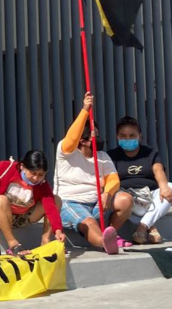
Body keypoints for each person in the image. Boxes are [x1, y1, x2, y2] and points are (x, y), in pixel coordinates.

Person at [54, 93, 127, 253]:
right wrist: (85, 110)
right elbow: (71, 138)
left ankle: (111, 233)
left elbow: (113, 179)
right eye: (94, 135)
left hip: (97, 203)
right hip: (70, 202)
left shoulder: (102, 156)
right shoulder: (66, 151)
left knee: (125, 199)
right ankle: (105, 242)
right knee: (88, 222)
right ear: (82, 140)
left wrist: (107, 193)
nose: (98, 138)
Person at [0, 150, 63, 257]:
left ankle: (45, 240)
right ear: (23, 167)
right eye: (33, 173)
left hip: (21, 217)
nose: (36, 178)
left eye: (40, 175)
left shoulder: (42, 184)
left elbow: (50, 207)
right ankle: (12, 243)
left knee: (56, 200)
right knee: (1, 200)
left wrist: (58, 229)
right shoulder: (5, 167)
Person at [108, 116, 172, 245]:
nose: (127, 139)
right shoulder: (112, 156)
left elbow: (158, 170)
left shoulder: (150, 153)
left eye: (131, 135)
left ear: (139, 136)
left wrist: (163, 187)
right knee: (124, 201)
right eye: (123, 136)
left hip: (149, 195)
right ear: (117, 136)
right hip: (127, 196)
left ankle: (142, 227)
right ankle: (151, 227)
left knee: (171, 187)